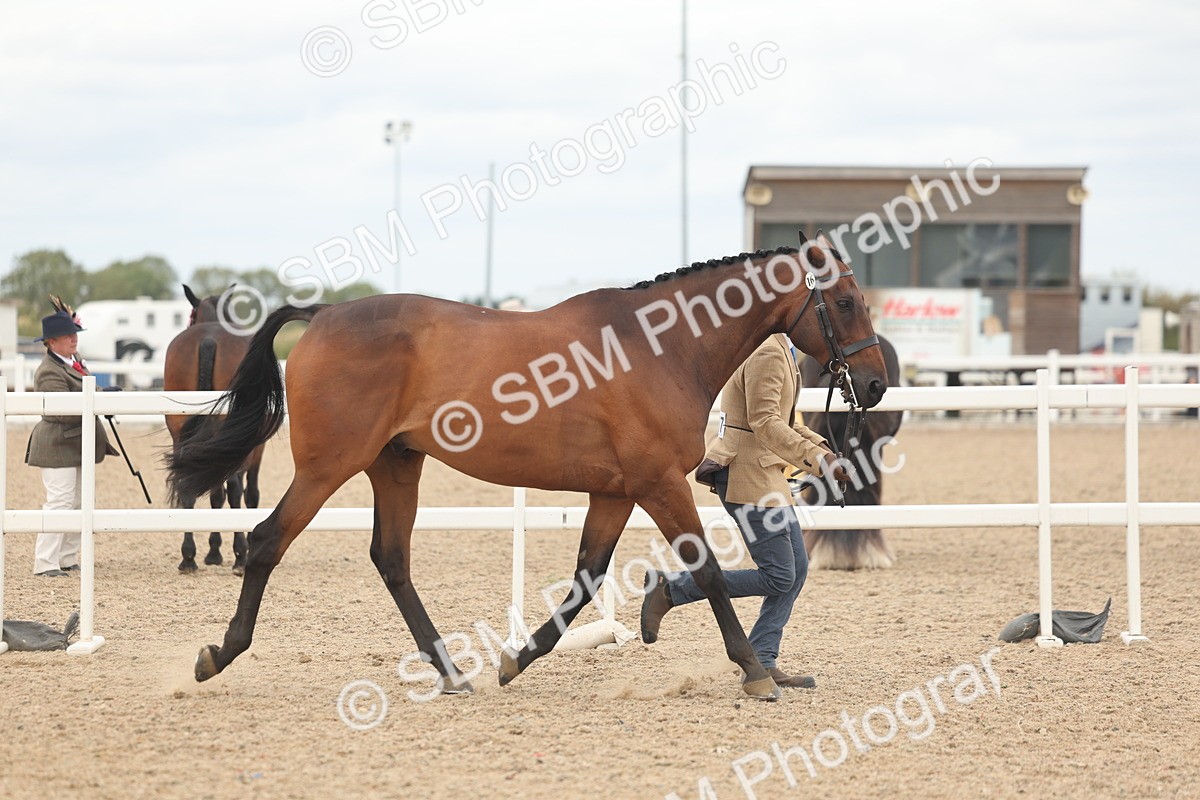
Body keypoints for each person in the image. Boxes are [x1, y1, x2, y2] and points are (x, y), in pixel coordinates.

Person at [640, 333, 850, 689]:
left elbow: (782, 420)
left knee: (796, 570)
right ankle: (672, 588)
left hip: (766, 474)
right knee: (780, 576)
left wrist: (824, 452)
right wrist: (818, 461)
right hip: (748, 476)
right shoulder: (767, 350)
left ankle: (763, 658)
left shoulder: (781, 346)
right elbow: (766, 423)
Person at [25, 307, 118, 577]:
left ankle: (66, 557)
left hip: (77, 442)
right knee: (60, 501)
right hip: (57, 443)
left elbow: (85, 387)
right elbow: (62, 411)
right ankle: (45, 562)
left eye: (74, 334)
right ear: (51, 342)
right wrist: (98, 401)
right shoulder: (48, 371)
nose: (73, 339)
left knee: (79, 501)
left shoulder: (73, 360)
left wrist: (103, 393)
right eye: (67, 336)